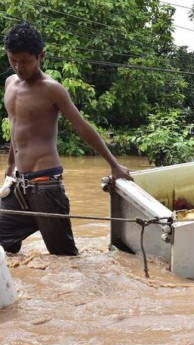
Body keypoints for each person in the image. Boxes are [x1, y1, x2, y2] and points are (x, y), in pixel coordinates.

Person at [0, 23, 133, 255]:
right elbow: (16, 128)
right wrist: (10, 166)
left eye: (25, 61)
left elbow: (82, 127)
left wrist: (114, 165)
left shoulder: (52, 89)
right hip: (19, 188)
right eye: (13, 60)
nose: (18, 67)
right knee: (5, 245)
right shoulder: (10, 83)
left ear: (41, 56)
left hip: (46, 188)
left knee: (65, 259)